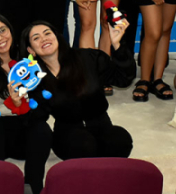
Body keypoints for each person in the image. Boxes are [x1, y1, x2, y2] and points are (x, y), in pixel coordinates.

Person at [21, 20, 133, 160]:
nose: (44, 39)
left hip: (102, 126)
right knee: (83, 145)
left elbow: (123, 79)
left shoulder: (88, 58)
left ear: (57, 37)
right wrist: (22, 101)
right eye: (36, 38)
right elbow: (38, 117)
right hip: (69, 135)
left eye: (47, 33)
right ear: (31, 50)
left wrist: (117, 44)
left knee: (120, 141)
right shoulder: (34, 79)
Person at [0, 13, 53, 194]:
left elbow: (42, 102)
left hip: (23, 132)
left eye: (2, 30)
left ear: (10, 30)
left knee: (42, 130)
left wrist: (21, 104)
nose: (0, 38)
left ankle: (33, 192)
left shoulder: (29, 58)